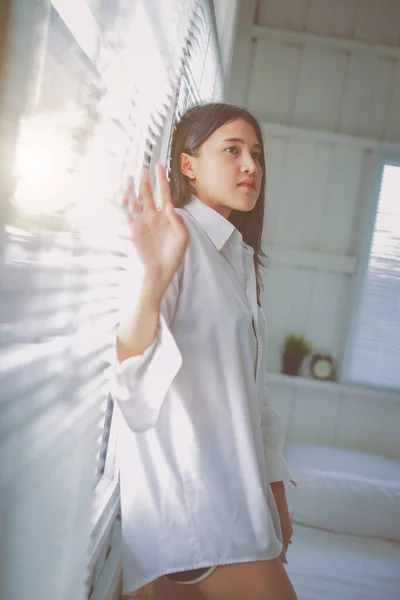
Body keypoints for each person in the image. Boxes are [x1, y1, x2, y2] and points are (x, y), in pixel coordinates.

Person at [113, 102, 298, 600]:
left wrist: (274, 494)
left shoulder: (236, 257)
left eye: (257, 155)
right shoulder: (172, 238)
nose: (251, 167)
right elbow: (132, 376)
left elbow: (253, 400)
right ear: (187, 165)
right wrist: (153, 277)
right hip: (199, 512)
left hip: (230, 507)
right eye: (232, 150)